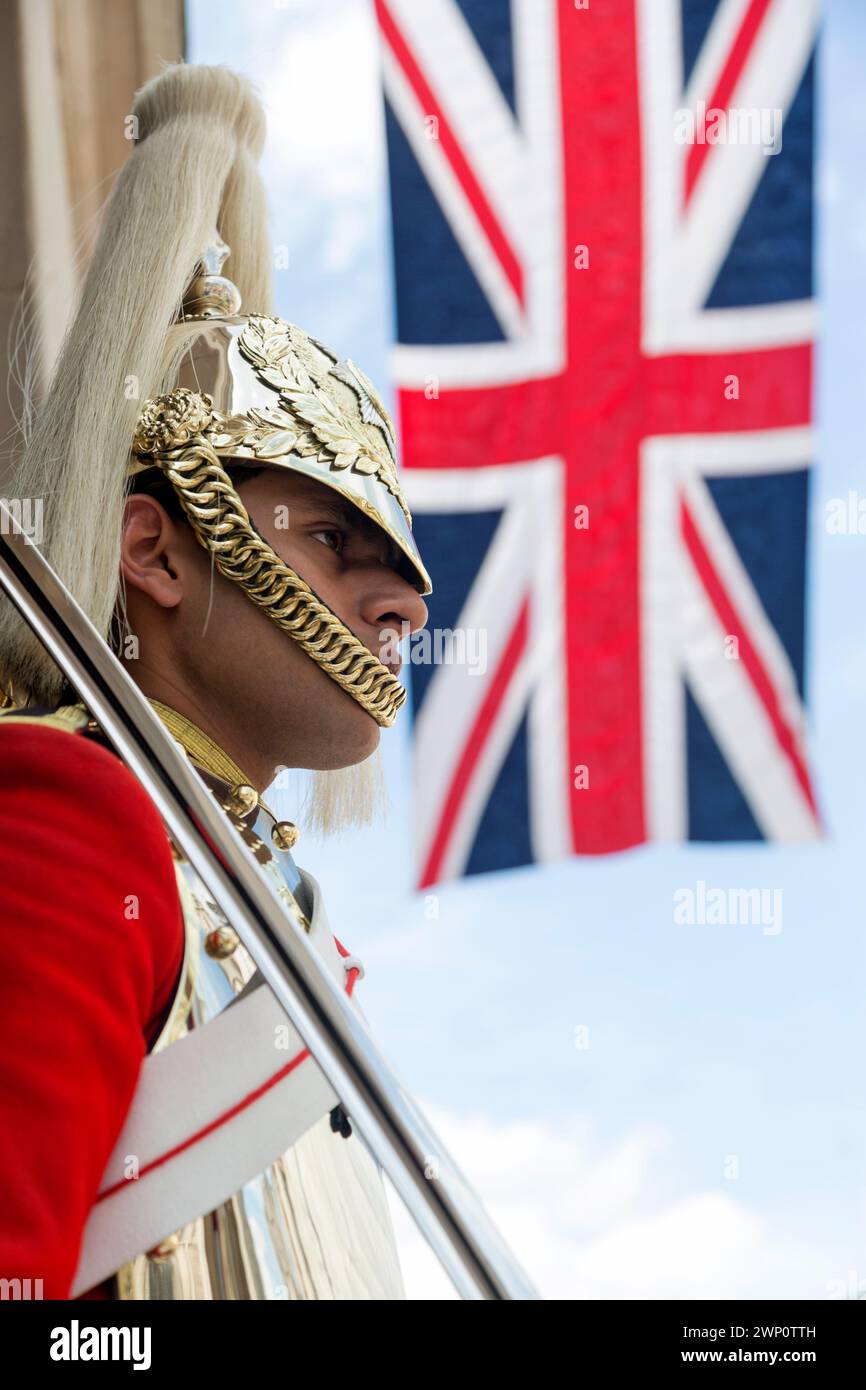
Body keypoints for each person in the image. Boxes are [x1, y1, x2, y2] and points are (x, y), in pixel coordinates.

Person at [0, 62, 430, 1300]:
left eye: (396, 562)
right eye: (332, 538)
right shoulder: (69, 817)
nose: (400, 599)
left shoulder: (264, 897)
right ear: (156, 551)